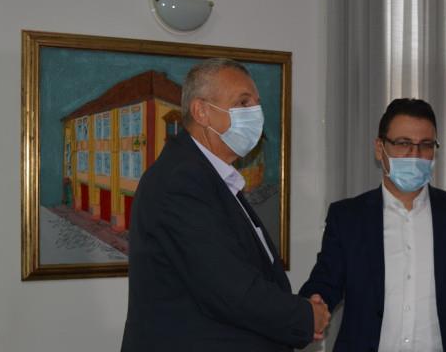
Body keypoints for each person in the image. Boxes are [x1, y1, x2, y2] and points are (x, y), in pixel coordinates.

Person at [121, 58, 330, 351]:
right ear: (201, 111)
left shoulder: (210, 177)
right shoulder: (181, 181)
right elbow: (230, 290)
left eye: (256, 104)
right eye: (243, 103)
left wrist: (301, 311)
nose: (255, 114)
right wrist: (306, 316)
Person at [299, 98, 446, 351]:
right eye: (403, 143)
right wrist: (312, 306)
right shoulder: (348, 218)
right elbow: (325, 282)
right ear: (380, 148)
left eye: (426, 145)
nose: (415, 155)